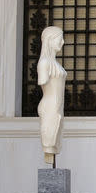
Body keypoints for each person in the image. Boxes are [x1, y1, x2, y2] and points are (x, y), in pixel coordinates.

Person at [37, 26, 67, 166]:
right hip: (49, 107)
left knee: (55, 143)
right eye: (59, 38)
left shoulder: (55, 64)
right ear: (50, 40)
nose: (62, 42)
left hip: (57, 108)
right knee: (49, 143)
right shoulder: (44, 63)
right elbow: (43, 82)